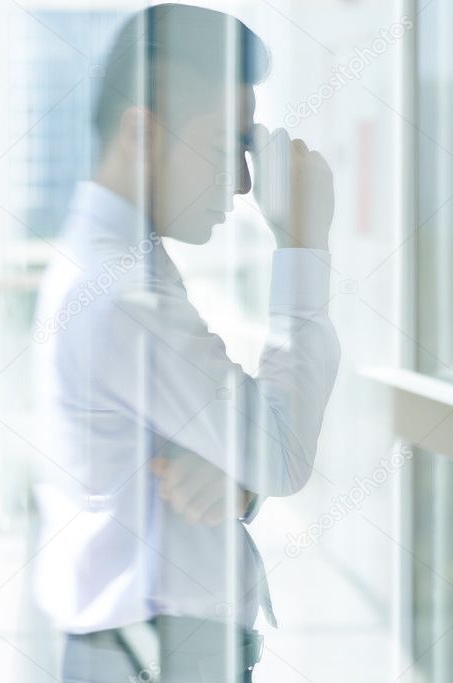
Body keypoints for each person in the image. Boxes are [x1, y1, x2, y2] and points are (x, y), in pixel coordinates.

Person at [29, 4, 341, 681]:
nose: (241, 184)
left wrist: (238, 474)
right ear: (141, 133)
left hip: (151, 644)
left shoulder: (120, 264)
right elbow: (280, 448)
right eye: (226, 147)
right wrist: (302, 247)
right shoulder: (125, 296)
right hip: (159, 652)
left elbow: (240, 452)